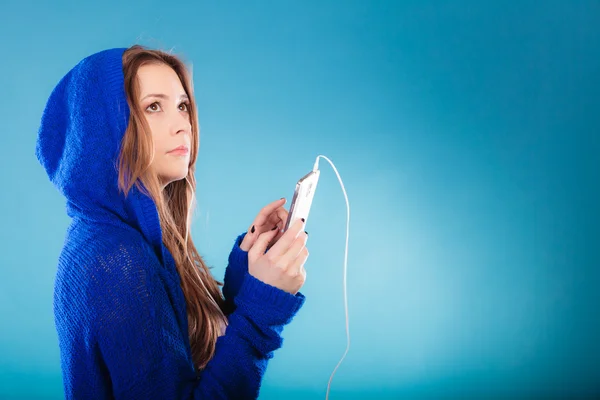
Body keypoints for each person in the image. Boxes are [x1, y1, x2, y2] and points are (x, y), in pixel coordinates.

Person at [35, 45, 309, 399]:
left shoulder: (110, 236)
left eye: (182, 105)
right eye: (153, 107)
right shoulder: (117, 261)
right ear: (102, 130)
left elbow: (180, 355)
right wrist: (260, 314)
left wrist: (249, 278)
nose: (182, 123)